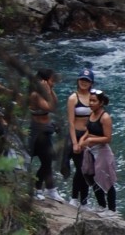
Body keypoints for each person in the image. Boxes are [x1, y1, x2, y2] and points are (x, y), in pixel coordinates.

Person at [80, 90, 117, 213]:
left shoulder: (105, 117)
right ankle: (101, 205)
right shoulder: (91, 114)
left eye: (94, 101)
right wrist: (83, 139)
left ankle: (112, 210)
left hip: (102, 152)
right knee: (91, 176)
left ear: (101, 103)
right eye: (90, 100)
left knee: (106, 180)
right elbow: (88, 130)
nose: (90, 103)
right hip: (91, 151)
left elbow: (108, 138)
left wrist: (90, 139)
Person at [27, 68, 59, 198]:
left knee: (47, 160)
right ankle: (37, 189)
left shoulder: (44, 92)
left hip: (45, 130)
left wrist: (50, 91)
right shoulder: (35, 94)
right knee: (46, 161)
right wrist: (47, 91)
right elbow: (49, 108)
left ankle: (50, 190)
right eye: (52, 80)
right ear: (45, 81)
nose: (54, 82)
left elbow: (55, 104)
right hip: (38, 131)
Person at [65, 70, 95, 203]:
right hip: (76, 134)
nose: (84, 82)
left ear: (91, 83)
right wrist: (75, 143)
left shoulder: (93, 98)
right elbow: (70, 122)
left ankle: (84, 200)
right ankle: (73, 198)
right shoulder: (73, 98)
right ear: (78, 81)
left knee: (88, 169)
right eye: (82, 79)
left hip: (89, 136)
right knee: (80, 168)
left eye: (87, 80)